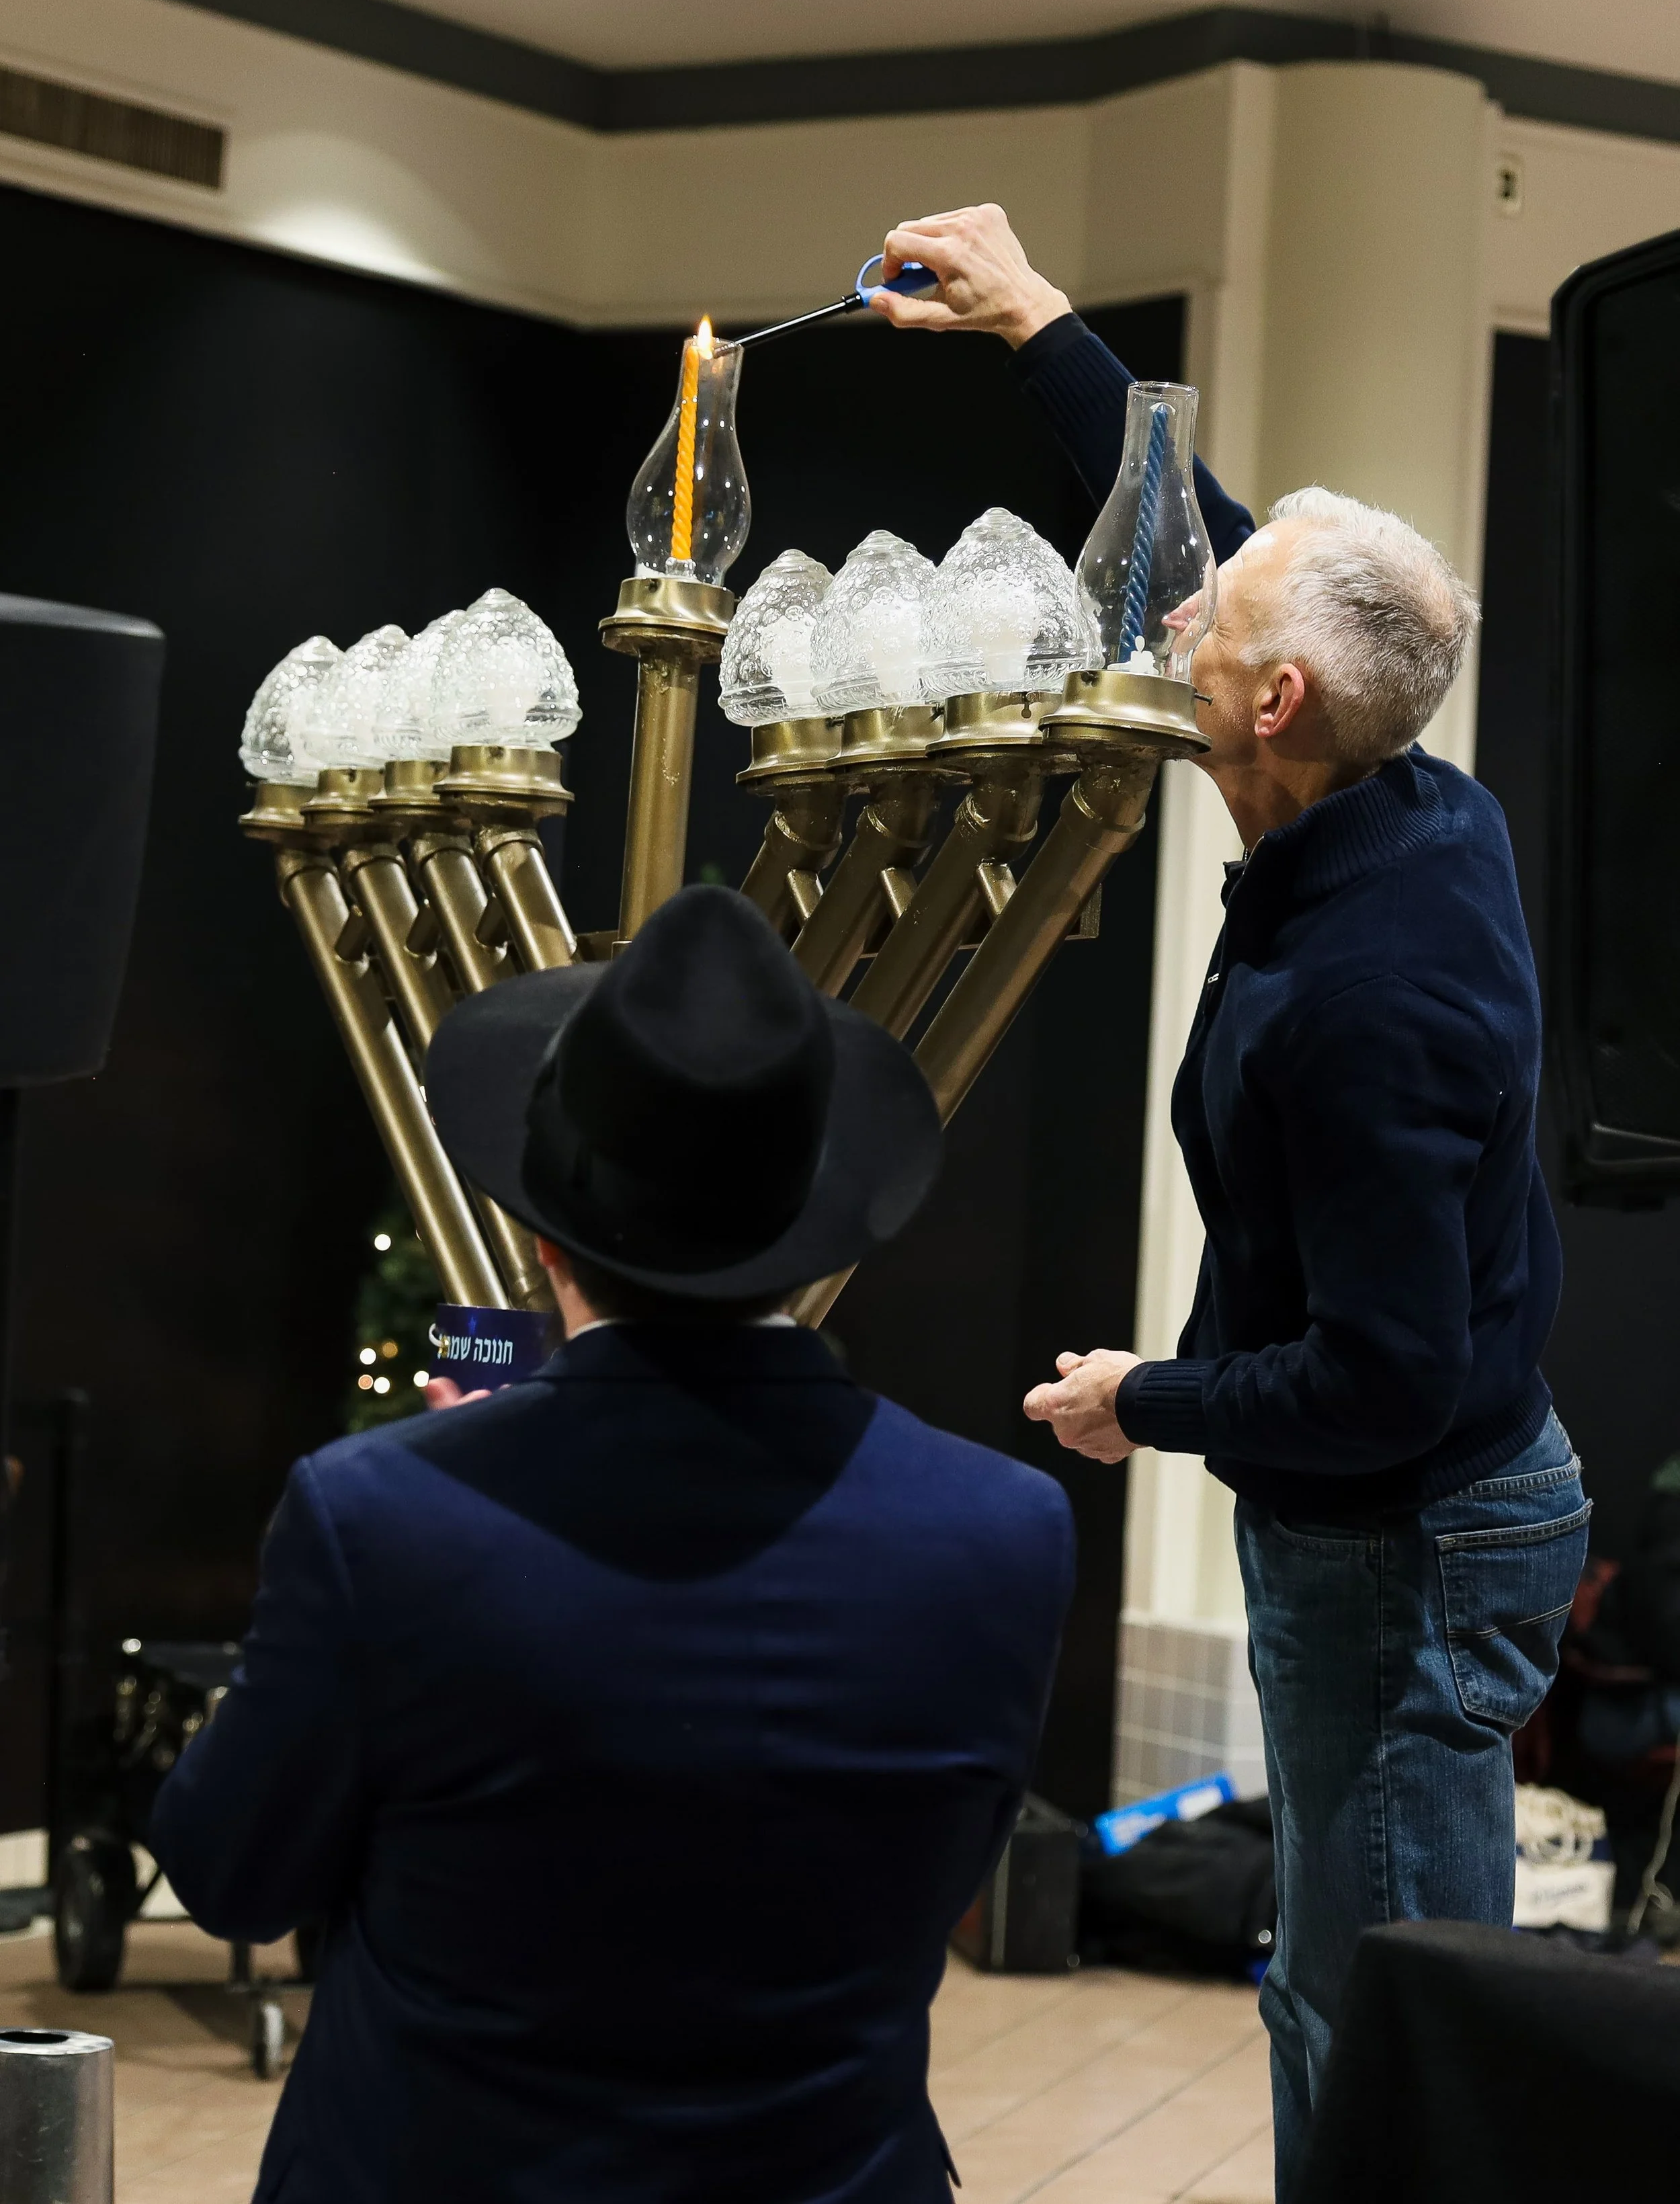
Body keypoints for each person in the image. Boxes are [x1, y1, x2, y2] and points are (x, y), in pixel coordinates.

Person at [875, 206, 1589, 2199]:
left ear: (1271, 706)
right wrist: (1035, 325)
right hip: (1401, 1509)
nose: (1172, 622)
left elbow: (1375, 1376)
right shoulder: (1404, 787)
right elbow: (1206, 546)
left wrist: (1146, 1399)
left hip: (1412, 1530)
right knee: (1341, 1994)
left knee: (1378, 2016)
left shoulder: (1368, 997)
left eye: (1211, 630)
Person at [150, 885, 1075, 2204]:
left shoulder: (380, 1517)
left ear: (543, 1234)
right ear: (809, 1229)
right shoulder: (1004, 1530)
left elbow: (228, 1874)